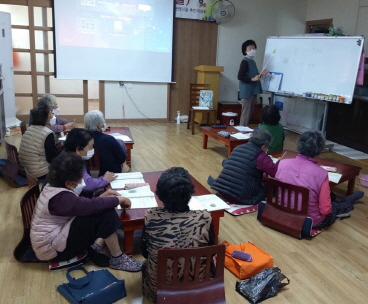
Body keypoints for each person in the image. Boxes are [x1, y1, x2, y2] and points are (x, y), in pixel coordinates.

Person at [30, 153, 142, 272]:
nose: (83, 181)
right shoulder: (60, 198)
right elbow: (86, 205)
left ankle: (97, 245)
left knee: (101, 206)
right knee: (105, 210)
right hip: (53, 250)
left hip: (54, 239)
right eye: (80, 179)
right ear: (69, 183)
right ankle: (118, 259)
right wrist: (120, 199)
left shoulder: (53, 186)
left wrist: (102, 198)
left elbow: (81, 205)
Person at [141, 167, 215, 303]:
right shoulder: (204, 218)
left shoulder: (151, 216)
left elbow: (145, 253)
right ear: (190, 194)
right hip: (197, 290)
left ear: (159, 194)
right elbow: (211, 249)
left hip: (160, 293)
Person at [276, 131, 364, 229]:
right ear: (319, 149)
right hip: (309, 222)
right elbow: (325, 210)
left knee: (326, 197)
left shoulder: (282, 163)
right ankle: (348, 200)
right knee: (335, 207)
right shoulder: (321, 173)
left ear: (299, 144)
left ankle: (334, 197)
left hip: (283, 212)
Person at [210, 129, 278, 205]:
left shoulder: (238, 147)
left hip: (221, 190)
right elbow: (275, 173)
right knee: (270, 186)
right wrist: (279, 163)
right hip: (240, 197)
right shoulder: (261, 156)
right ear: (264, 146)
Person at [63, 128, 117, 195]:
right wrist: (105, 179)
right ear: (78, 149)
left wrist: (100, 180)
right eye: (90, 147)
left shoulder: (69, 155)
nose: (92, 149)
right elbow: (88, 186)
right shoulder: (70, 163)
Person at [19, 105, 58, 179]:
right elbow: (51, 158)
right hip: (39, 172)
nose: (53, 115)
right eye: (51, 113)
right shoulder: (47, 133)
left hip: (25, 170)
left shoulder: (30, 128)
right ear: (46, 119)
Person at [84, 110, 127, 176]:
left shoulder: (80, 138)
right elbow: (122, 158)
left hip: (85, 173)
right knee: (119, 142)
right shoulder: (109, 139)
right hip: (109, 173)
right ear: (99, 125)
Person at [238, 39, 268, 126]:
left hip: (252, 91)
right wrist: (252, 79)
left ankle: (243, 132)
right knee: (246, 114)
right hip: (247, 92)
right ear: (245, 50)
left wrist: (261, 74)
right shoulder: (245, 61)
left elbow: (254, 76)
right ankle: (241, 133)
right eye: (249, 48)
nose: (252, 50)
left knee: (249, 113)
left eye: (253, 48)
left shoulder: (252, 62)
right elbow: (240, 76)